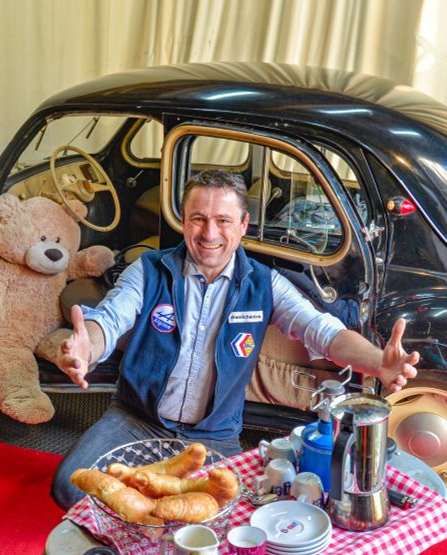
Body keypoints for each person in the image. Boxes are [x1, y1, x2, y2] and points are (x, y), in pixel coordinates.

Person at [51, 169, 419, 508]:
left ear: (243, 225)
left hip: (213, 436)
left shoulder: (265, 285)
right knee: (70, 486)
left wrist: (376, 361)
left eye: (223, 221)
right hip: (136, 419)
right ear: (183, 221)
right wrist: (89, 346)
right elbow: (109, 319)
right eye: (198, 219)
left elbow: (325, 333)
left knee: (224, 511)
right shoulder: (149, 270)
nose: (209, 234)